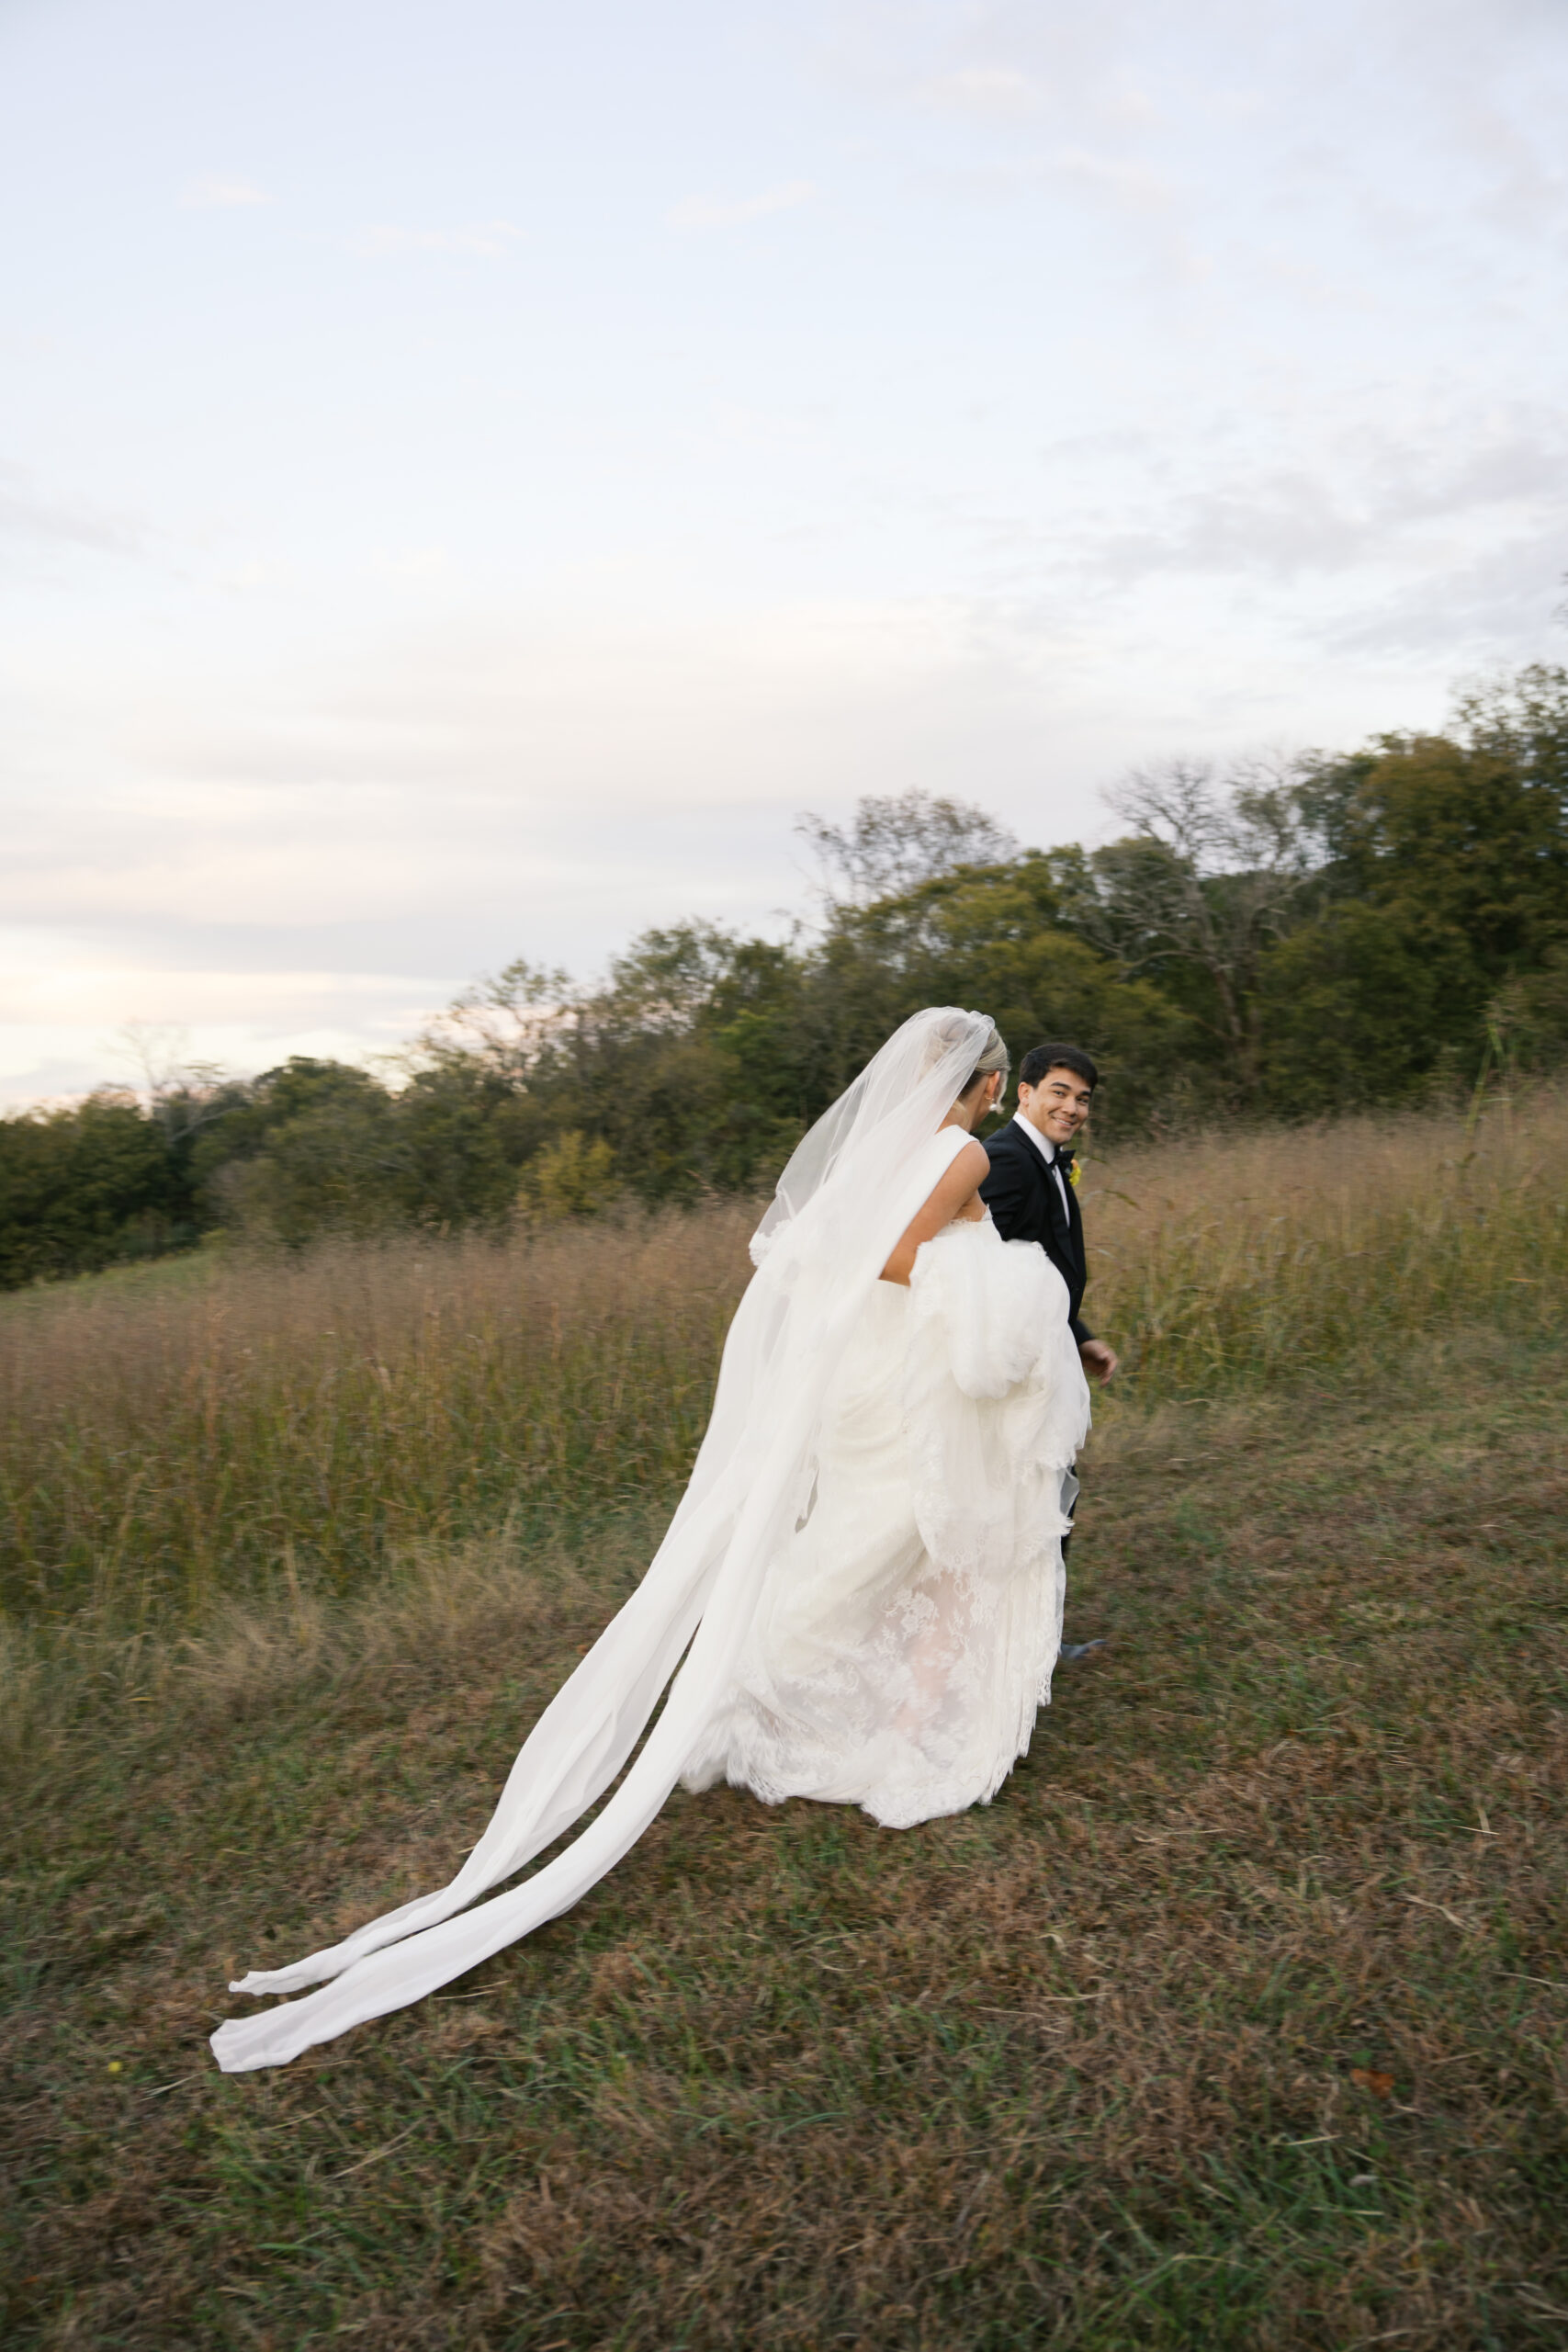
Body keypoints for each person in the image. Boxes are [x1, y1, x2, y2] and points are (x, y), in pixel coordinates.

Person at [210, 1009, 1089, 2074]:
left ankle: (862, 1695)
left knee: (881, 1538)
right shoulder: (954, 1150)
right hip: (904, 1376)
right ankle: (819, 1694)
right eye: (999, 1084)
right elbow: (903, 1259)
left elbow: (821, 1251)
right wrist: (1007, 1285)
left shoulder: (887, 1148)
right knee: (903, 1540)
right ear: (990, 1086)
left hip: (868, 1373)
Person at [980, 1043, 1118, 1659]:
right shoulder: (1005, 1160)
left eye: (1082, 1098)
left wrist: (1078, 1331)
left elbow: (1039, 1267)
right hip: (1017, 1366)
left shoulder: (1047, 1161)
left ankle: (1033, 1641)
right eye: (1059, 1092)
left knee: (1051, 1493)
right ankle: (1022, 1650)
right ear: (1024, 1093)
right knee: (1033, 1501)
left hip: (1050, 1347)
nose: (1072, 1107)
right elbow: (982, 1270)